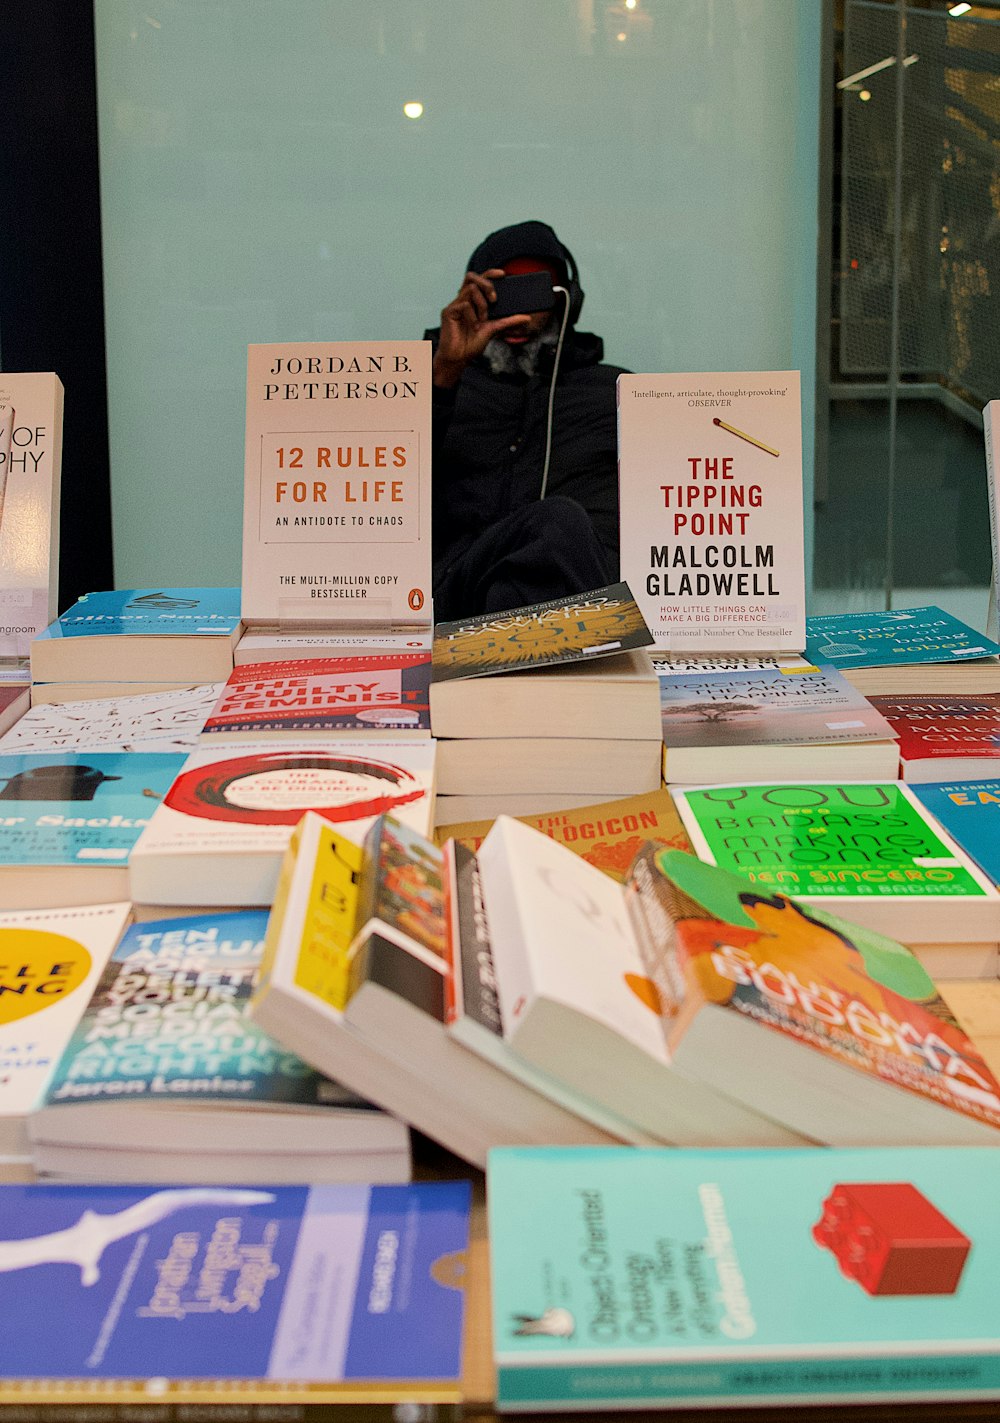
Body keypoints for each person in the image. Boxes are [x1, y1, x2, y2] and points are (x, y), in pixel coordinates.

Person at [428, 220, 627, 620]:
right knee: (555, 522)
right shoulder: (439, 383)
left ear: (566, 298)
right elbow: (387, 492)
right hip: (463, 591)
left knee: (559, 528)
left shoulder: (616, 392)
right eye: (501, 292)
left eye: (532, 289)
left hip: (588, 590)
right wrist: (443, 375)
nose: (518, 309)